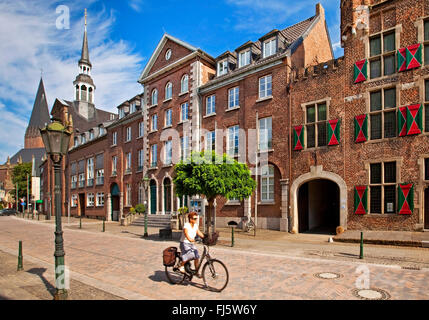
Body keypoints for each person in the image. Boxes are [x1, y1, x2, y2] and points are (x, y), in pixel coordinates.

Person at [179, 211, 205, 275]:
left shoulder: (195, 225)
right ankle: (181, 265)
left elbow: (198, 232)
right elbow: (186, 232)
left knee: (196, 256)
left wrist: (205, 237)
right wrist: (189, 238)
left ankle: (196, 271)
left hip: (191, 244)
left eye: (196, 218)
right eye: (195, 218)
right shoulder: (186, 225)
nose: (196, 220)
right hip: (184, 243)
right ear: (190, 219)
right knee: (190, 255)